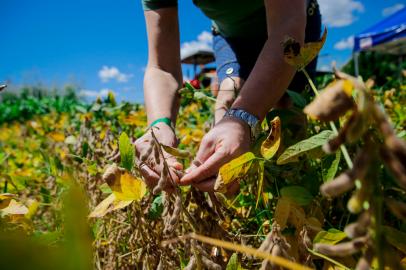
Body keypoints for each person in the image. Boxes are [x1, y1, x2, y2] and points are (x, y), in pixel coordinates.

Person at [136, 0, 321, 192]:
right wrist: (159, 125)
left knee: (288, 117)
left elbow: (287, 24)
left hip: (292, 22)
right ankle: (233, 183)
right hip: (232, 38)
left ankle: (297, 189)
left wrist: (244, 118)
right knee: (226, 101)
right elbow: (162, 67)